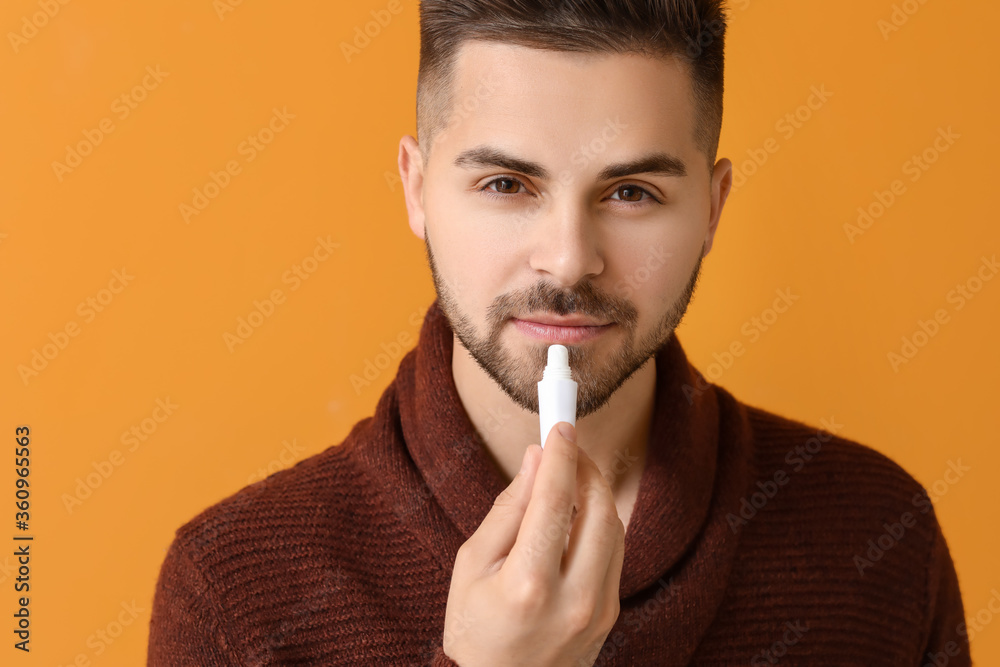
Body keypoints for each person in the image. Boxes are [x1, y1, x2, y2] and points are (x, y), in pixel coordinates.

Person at [148, 1, 971, 664]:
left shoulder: (878, 540)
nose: (571, 261)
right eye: (507, 183)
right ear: (417, 188)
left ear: (712, 210)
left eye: (632, 193)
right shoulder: (234, 595)